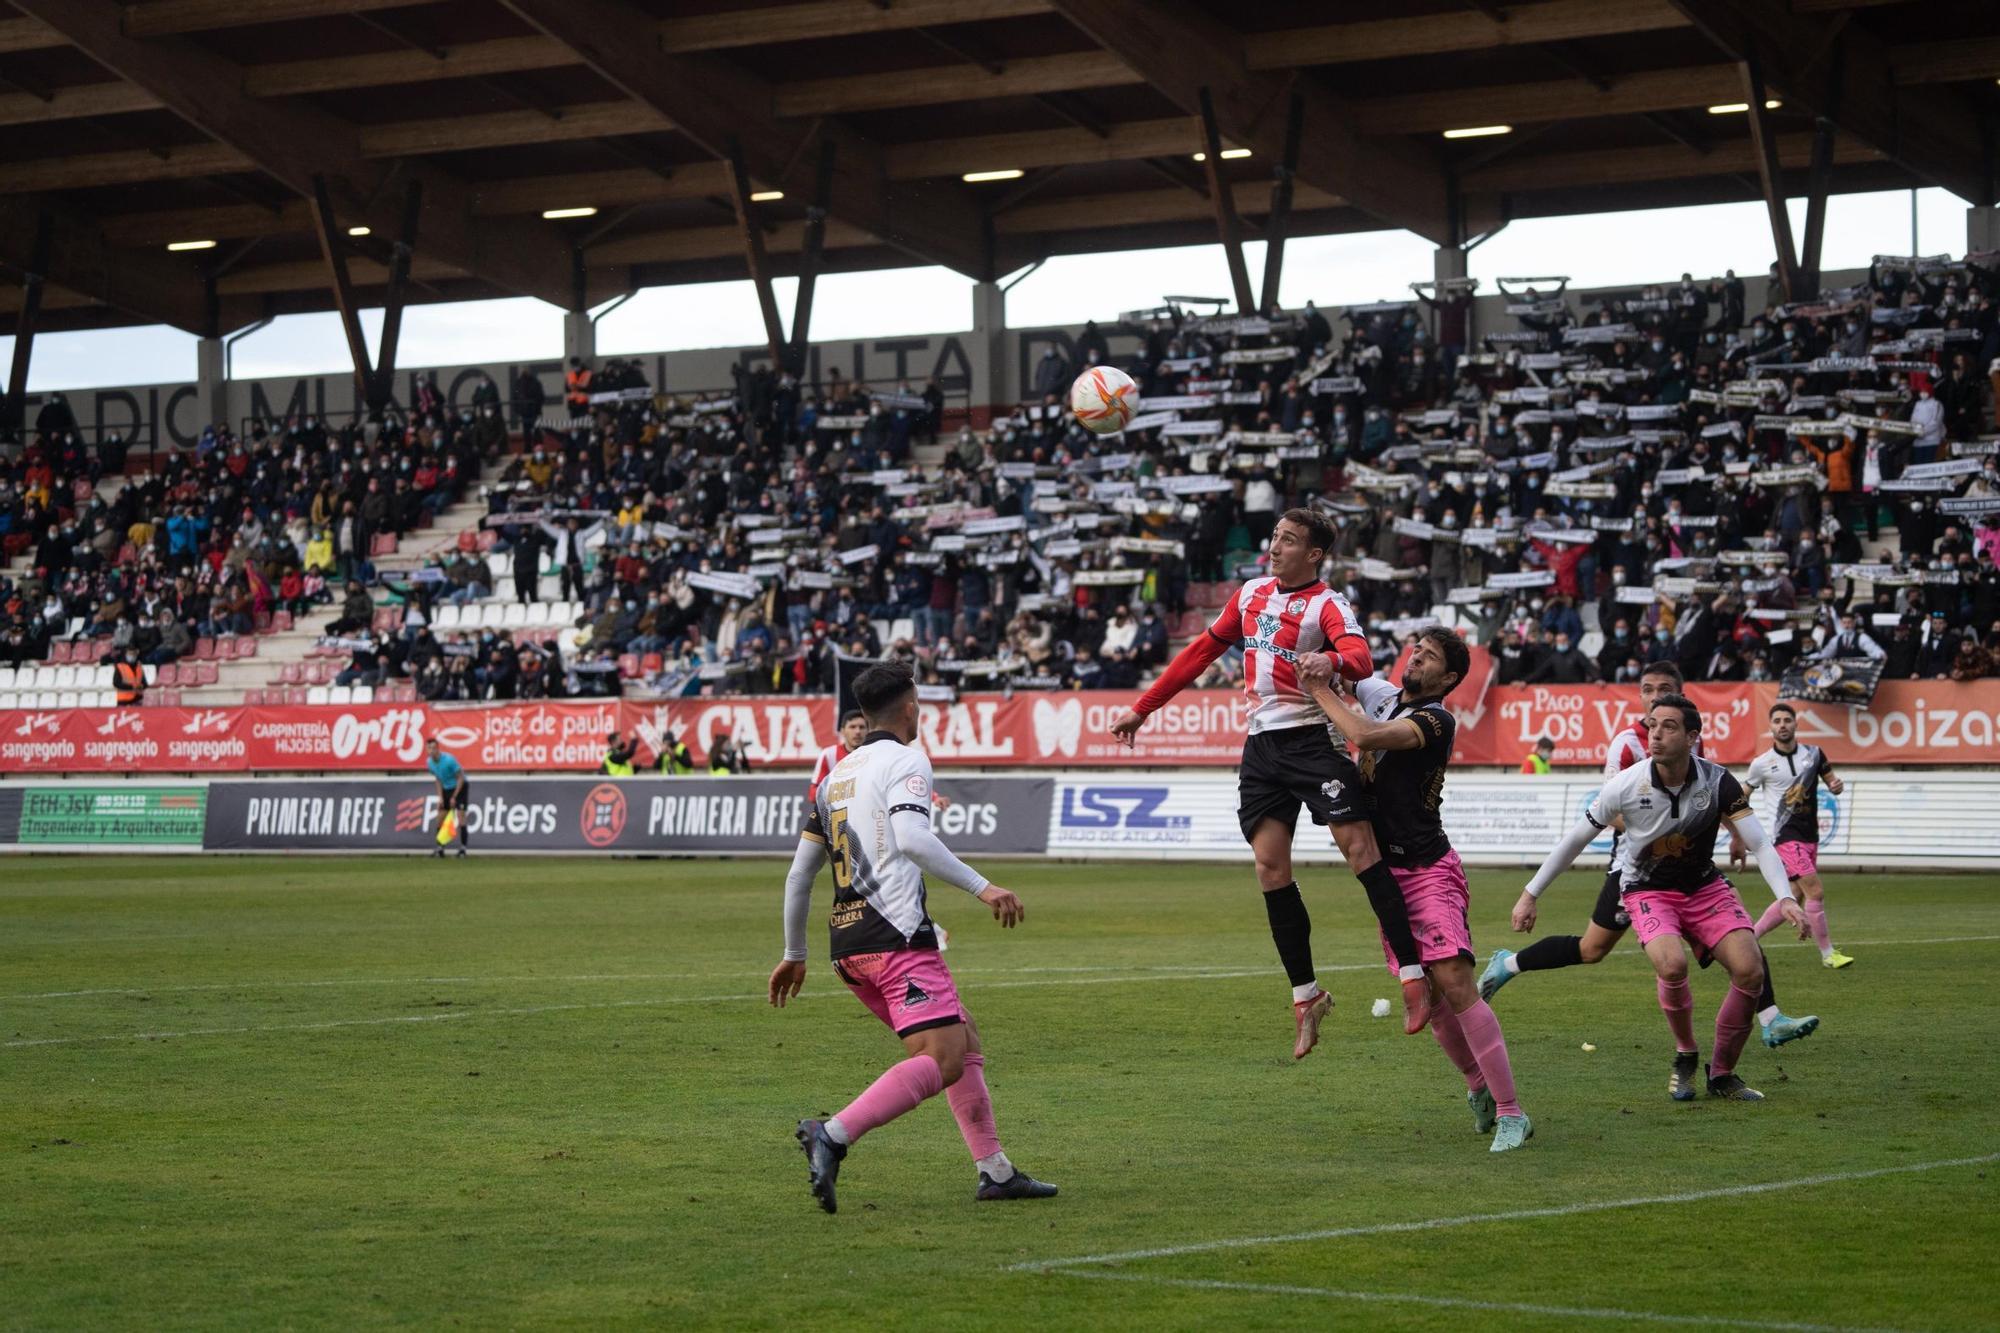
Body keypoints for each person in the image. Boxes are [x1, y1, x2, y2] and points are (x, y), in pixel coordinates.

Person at [1109, 507, 1433, 1056]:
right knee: (1269, 867)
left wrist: (1329, 660)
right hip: (1262, 748)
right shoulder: (1251, 593)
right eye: (1275, 537)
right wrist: (1144, 709)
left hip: (1313, 739)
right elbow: (1199, 653)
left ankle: (1412, 975)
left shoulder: (1328, 604)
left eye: (1288, 540)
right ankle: (1307, 996)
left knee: (1360, 852)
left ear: (1314, 554)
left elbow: (1359, 656)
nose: (1275, 547)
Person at [771, 662, 1056, 1213]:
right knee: (944, 1057)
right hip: (896, 937)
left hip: (849, 948)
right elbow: (912, 839)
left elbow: (799, 874)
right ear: (909, 709)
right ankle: (832, 1134)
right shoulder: (907, 760)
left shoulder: (837, 777)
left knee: (963, 1038)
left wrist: (794, 953)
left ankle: (995, 1171)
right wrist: (984, 887)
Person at [1480, 661, 1816, 1050]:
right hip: (1634, 868)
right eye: (1648, 689)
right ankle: (1508, 963)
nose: (1656, 696)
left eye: (1665, 688)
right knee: (1592, 949)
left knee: (1735, 926)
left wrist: (1732, 829)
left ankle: (1769, 1017)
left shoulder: (1689, 740)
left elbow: (1702, 798)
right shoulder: (1627, 744)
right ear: (1639, 696)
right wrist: (1661, 833)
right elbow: (1613, 813)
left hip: (1687, 869)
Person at [1301, 629, 1532, 1152]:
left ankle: (1513, 1113)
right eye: (1416, 650)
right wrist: (1322, 665)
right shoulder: (1381, 692)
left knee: (1453, 979)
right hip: (1387, 878)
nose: (1417, 658)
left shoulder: (1435, 719)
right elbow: (1346, 670)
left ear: (1448, 678)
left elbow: (1363, 734)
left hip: (1429, 869)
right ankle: (1478, 1087)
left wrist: (1319, 690)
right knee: (1429, 997)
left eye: (1429, 657)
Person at [1740, 702, 1852, 969]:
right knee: (1815, 891)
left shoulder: (1814, 754)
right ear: (1771, 727)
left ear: (1795, 723)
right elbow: (1743, 794)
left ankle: (1749, 940)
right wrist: (1740, 827)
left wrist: (1837, 787)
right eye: (1777, 721)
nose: (1782, 725)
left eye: (1786, 720)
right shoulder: (1762, 764)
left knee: (1793, 895)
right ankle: (1828, 954)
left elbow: (1832, 782)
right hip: (1785, 837)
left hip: (1809, 836)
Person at [424, 736, 470, 858]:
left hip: (460, 787)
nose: (432, 750)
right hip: (446, 789)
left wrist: (454, 797)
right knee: (440, 818)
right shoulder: (429, 763)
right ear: (426, 750)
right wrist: (440, 797)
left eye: (434, 748)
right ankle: (440, 848)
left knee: (461, 816)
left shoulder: (449, 760)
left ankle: (463, 849)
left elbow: (460, 777)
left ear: (438, 748)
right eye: (429, 748)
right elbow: (438, 779)